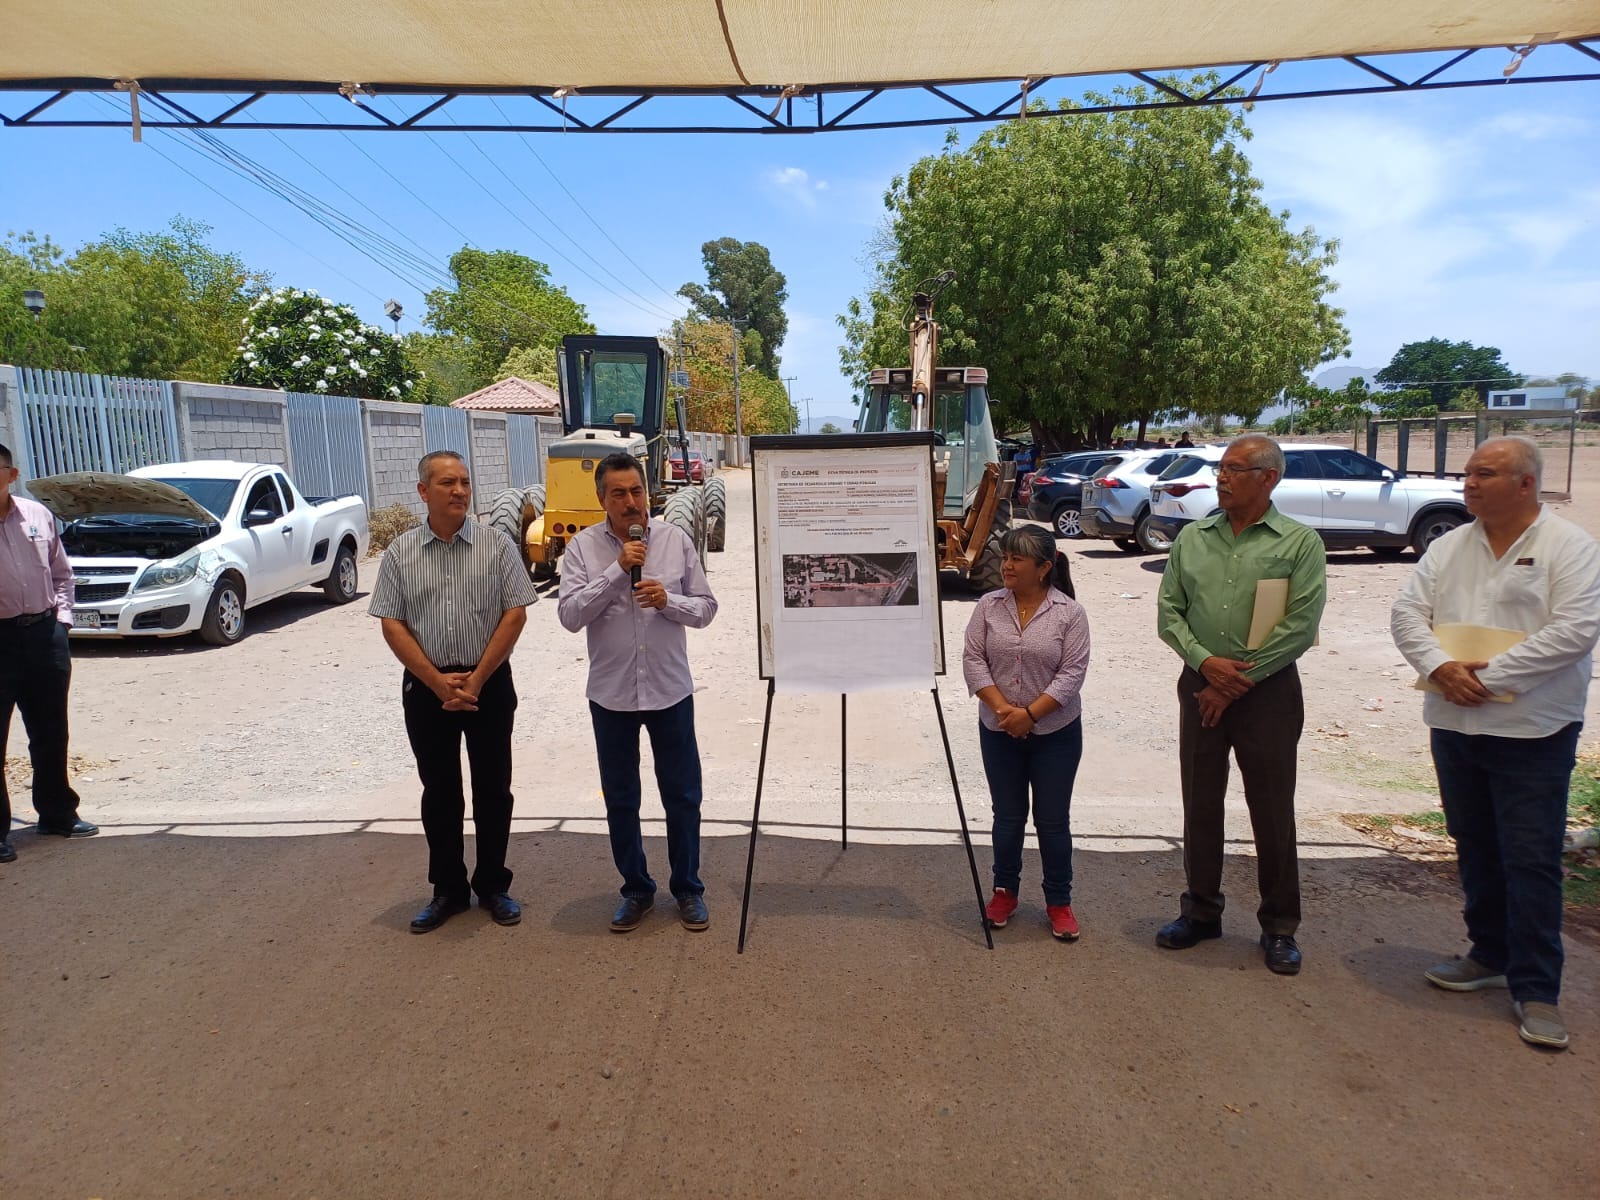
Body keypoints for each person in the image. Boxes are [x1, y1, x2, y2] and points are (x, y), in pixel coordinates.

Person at [1391, 436, 1600, 1051]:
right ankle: (1488, 954)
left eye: (1484, 474)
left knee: (1531, 855)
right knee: (1473, 840)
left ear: (1525, 483)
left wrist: (1487, 678)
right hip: (1455, 722)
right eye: (1468, 473)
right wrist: (1440, 668)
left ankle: (1537, 988)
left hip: (1534, 729)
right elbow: (1407, 615)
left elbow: (1575, 631)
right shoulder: (1449, 546)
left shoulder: (1570, 547)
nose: (1469, 483)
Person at [1155, 434, 1326, 974]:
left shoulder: (1300, 543)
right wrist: (1206, 664)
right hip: (1200, 685)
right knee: (1201, 803)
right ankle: (1201, 912)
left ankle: (1279, 926)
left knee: (1272, 810)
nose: (1221, 478)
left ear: (1268, 478)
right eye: (1220, 469)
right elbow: (1169, 613)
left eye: (1233, 469)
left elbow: (1300, 626)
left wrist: (1234, 681)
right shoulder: (1192, 538)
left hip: (1267, 692)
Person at [369, 450, 539, 933]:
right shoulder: (401, 552)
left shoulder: (496, 545)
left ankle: (493, 885)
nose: (460, 490)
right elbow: (392, 622)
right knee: (440, 791)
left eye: (465, 481)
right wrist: (436, 681)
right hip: (428, 688)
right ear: (424, 491)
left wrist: (478, 678)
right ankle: (447, 889)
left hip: (489, 682)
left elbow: (515, 613)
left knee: (493, 789)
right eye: (448, 483)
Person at [557, 453, 718, 933]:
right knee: (622, 800)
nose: (631, 503)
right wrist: (615, 573)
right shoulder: (582, 549)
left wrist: (669, 601)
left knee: (683, 796)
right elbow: (570, 616)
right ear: (601, 498)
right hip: (612, 697)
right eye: (619, 494)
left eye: (637, 491)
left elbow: (706, 608)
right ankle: (636, 889)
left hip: (670, 691)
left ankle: (687, 888)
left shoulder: (675, 540)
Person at [964, 525, 1090, 939]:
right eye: (1005, 557)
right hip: (999, 730)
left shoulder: (1069, 614)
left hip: (1056, 734)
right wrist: (1005, 711)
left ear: (1044, 568)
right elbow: (973, 660)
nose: (1006, 565)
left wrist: (1031, 715)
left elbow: (1071, 674)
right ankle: (1004, 892)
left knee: (1052, 821)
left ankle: (1059, 902)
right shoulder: (988, 606)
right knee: (1007, 817)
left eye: (1017, 559)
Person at [0, 442, 97, 862]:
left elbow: (62, 574)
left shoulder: (38, 516)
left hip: (43, 634)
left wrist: (62, 621)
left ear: (11, 475)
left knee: (51, 730)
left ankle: (57, 813)